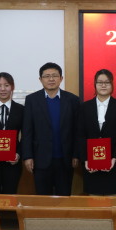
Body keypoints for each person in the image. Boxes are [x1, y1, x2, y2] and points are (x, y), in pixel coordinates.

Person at [22, 62, 80, 196]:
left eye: (55, 76)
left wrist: (76, 154)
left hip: (65, 159)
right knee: (43, 198)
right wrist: (28, 156)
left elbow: (77, 130)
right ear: (40, 79)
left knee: (64, 198)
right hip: (40, 159)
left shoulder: (73, 100)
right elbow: (27, 131)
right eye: (47, 76)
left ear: (61, 78)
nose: (51, 79)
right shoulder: (32, 100)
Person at [77, 69, 116, 196]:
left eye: (107, 82)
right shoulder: (85, 107)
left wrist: (115, 158)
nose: (103, 85)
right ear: (95, 84)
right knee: (93, 202)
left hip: (113, 163)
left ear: (112, 84)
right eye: (100, 82)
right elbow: (81, 135)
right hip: (91, 165)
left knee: (112, 201)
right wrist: (86, 160)